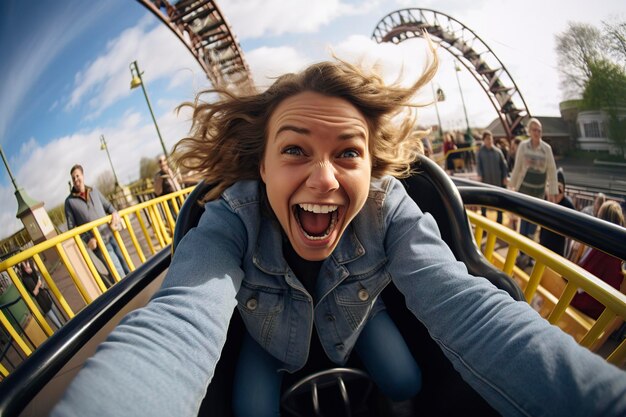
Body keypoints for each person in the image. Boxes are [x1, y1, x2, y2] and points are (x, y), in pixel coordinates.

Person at [52, 50, 626, 417]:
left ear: (370, 166)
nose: (324, 178)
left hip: (359, 317)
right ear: (263, 165)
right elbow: (178, 322)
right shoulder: (230, 216)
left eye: (348, 152)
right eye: (296, 149)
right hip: (265, 334)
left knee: (404, 377)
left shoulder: (387, 205)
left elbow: (465, 302)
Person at [65, 164, 130, 286]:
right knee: (115, 267)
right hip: (98, 243)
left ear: (83, 176)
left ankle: (135, 283)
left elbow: (108, 206)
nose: (76, 180)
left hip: (110, 233)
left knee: (123, 261)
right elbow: (71, 229)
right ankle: (128, 290)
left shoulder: (94, 190)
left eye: (77, 176)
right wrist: (87, 239)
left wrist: (115, 213)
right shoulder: (69, 202)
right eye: (73, 178)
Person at [509, 118, 558, 266]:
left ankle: (528, 255)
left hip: (538, 191)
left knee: (534, 223)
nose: (537, 133)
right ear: (529, 131)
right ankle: (523, 253)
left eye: (539, 130)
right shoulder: (523, 147)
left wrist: (552, 193)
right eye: (534, 130)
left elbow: (552, 171)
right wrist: (512, 187)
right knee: (524, 222)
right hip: (524, 189)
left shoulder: (546, 149)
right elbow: (517, 167)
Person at [570, 200, 626, 319]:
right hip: (598, 308)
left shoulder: (603, 250)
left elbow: (582, 279)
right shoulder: (615, 249)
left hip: (586, 306)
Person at [538, 168, 576, 257]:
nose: (556, 193)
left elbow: (576, 223)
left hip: (557, 248)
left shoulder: (567, 205)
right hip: (543, 243)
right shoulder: (545, 200)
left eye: (559, 189)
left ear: (564, 190)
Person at [17, 260, 63, 329]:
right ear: (23, 268)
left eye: (28, 266)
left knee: (60, 318)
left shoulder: (34, 273)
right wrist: (38, 285)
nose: (28, 268)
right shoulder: (25, 279)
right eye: (25, 267)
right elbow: (34, 293)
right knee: (58, 324)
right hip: (42, 303)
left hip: (47, 297)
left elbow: (41, 282)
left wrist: (41, 284)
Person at [476, 130, 508, 223]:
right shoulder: (480, 152)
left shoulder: (498, 152)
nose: (489, 141)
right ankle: (484, 218)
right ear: (484, 140)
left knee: (498, 200)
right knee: (484, 200)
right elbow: (479, 165)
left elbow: (503, 165)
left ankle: (499, 219)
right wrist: (480, 175)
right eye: (487, 139)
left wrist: (505, 177)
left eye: (490, 139)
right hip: (485, 180)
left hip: (497, 180)